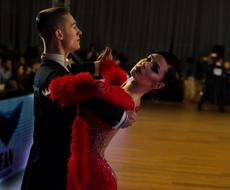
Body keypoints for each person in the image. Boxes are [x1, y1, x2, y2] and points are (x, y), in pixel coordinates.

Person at [21, 7, 136, 190]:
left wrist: (99, 66)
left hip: (48, 165)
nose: (79, 31)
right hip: (51, 174)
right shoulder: (54, 77)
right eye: (74, 26)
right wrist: (120, 117)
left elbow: (73, 72)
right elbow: (86, 91)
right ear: (59, 33)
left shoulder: (49, 69)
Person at [48, 50, 177, 190]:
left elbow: (73, 88)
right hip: (86, 166)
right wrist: (107, 66)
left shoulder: (122, 98)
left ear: (158, 85)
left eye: (154, 68)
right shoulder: (127, 92)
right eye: (148, 58)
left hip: (90, 174)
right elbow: (117, 80)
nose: (145, 64)